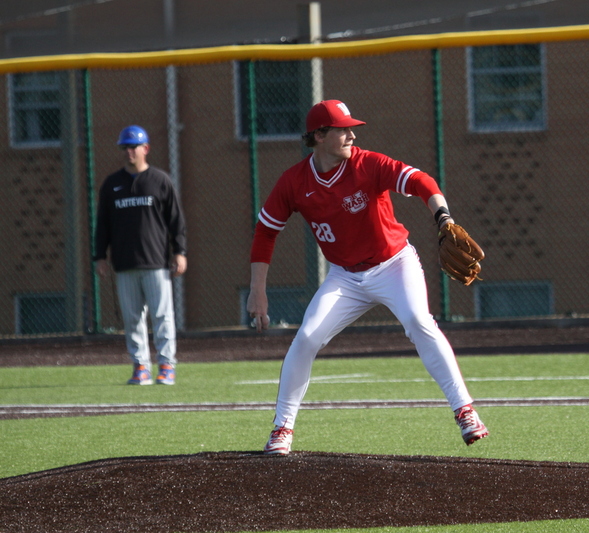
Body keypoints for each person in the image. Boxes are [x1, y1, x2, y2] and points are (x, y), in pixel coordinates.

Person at [247, 100, 489, 455]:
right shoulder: (294, 181)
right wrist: (257, 291)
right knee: (308, 337)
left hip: (394, 264)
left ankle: (464, 410)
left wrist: (444, 218)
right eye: (343, 129)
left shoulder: (367, 163)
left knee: (419, 322)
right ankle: (282, 428)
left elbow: (420, 181)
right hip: (345, 277)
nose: (351, 134)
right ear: (319, 136)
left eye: (351, 127)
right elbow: (265, 232)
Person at [93, 125, 188, 384]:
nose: (128, 152)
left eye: (133, 146)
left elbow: (176, 221)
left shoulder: (160, 181)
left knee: (162, 315)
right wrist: (100, 256)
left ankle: (167, 365)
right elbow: (102, 223)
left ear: (145, 148)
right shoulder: (112, 184)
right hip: (124, 263)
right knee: (132, 318)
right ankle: (140, 366)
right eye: (124, 147)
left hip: (156, 262)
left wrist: (179, 252)